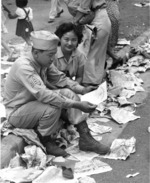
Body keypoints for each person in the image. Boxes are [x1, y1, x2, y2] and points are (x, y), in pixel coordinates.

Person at [3, 30, 110, 157]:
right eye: (50, 55)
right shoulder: (24, 67)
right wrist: (77, 105)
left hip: (34, 104)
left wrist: (82, 90)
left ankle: (85, 137)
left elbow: (60, 79)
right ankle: (46, 141)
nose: (53, 58)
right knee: (52, 107)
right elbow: (44, 95)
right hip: (17, 112)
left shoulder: (43, 62)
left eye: (54, 54)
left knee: (68, 93)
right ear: (36, 53)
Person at [65, 0, 122, 86]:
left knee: (91, 54)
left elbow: (84, 8)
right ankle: (94, 81)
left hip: (98, 20)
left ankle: (90, 83)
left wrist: (74, 22)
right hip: (102, 19)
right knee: (97, 54)